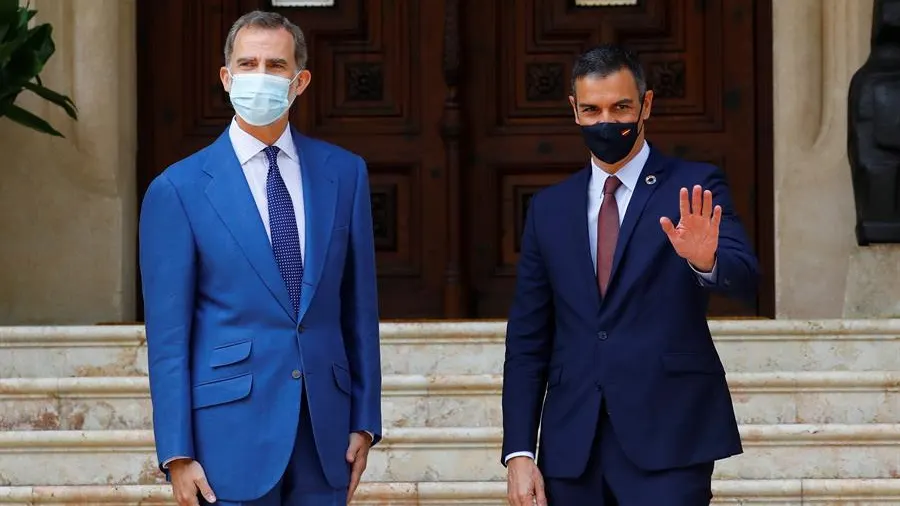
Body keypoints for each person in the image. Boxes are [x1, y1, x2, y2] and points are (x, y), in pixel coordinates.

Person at [138, 10, 382, 506]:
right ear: (227, 78)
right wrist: (176, 452)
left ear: (300, 81)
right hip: (226, 435)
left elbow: (359, 308)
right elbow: (168, 338)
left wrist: (365, 420)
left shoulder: (345, 173)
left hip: (325, 433)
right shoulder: (179, 189)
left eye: (276, 65)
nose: (261, 76)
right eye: (247, 63)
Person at [501, 44, 759, 505]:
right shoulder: (548, 209)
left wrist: (706, 260)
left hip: (670, 436)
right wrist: (520, 451)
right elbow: (527, 338)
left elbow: (745, 279)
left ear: (646, 105)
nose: (606, 121)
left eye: (620, 107)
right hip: (571, 445)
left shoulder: (694, 186)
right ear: (574, 111)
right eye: (592, 109)